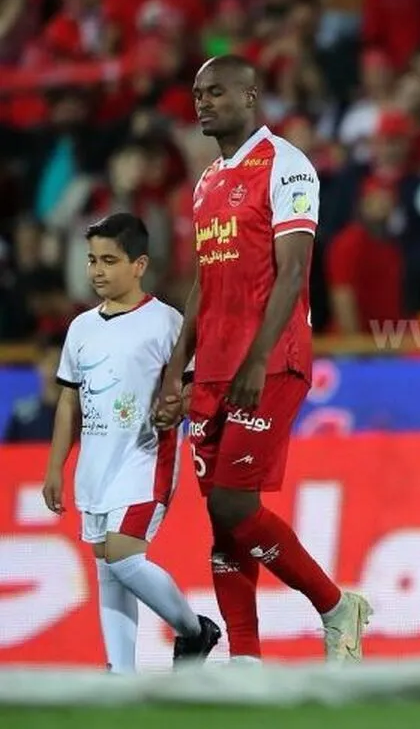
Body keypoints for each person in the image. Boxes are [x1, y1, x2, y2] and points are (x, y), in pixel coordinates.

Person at [153, 55, 371, 663]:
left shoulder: (287, 165)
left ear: (250, 96)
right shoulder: (207, 182)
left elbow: (294, 270)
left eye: (216, 91)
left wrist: (255, 358)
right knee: (222, 521)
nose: (203, 102)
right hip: (213, 368)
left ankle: (336, 606)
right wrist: (177, 369)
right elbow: (203, 283)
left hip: (270, 361)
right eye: (197, 93)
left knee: (233, 503)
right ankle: (246, 660)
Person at [42, 213, 221, 672]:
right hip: (95, 464)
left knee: (123, 558)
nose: (97, 270)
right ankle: (121, 673)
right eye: (92, 260)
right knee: (107, 565)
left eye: (109, 260)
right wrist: (55, 466)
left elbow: (193, 386)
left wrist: (177, 407)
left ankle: (194, 630)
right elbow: (68, 401)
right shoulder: (81, 328)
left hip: (145, 459)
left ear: (139, 265)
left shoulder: (166, 322)